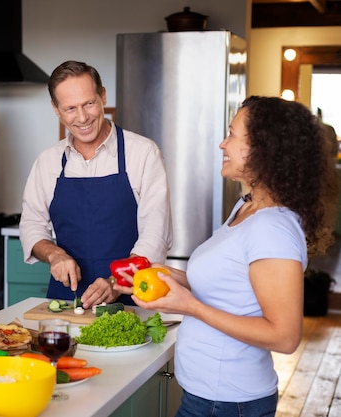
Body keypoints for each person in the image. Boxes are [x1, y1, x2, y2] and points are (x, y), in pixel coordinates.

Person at [124, 96, 338, 416]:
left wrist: (190, 306)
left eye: (233, 134)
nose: (223, 144)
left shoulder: (273, 228)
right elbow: (227, 286)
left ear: (265, 148)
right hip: (210, 397)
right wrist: (161, 273)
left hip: (227, 403)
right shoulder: (247, 207)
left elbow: (285, 336)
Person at [19, 60, 172, 308]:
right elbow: (31, 226)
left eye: (88, 103)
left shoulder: (143, 153)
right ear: (56, 109)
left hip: (131, 300)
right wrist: (55, 255)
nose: (82, 117)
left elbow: (155, 235)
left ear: (102, 96)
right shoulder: (47, 161)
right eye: (70, 108)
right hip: (65, 302)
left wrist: (116, 282)